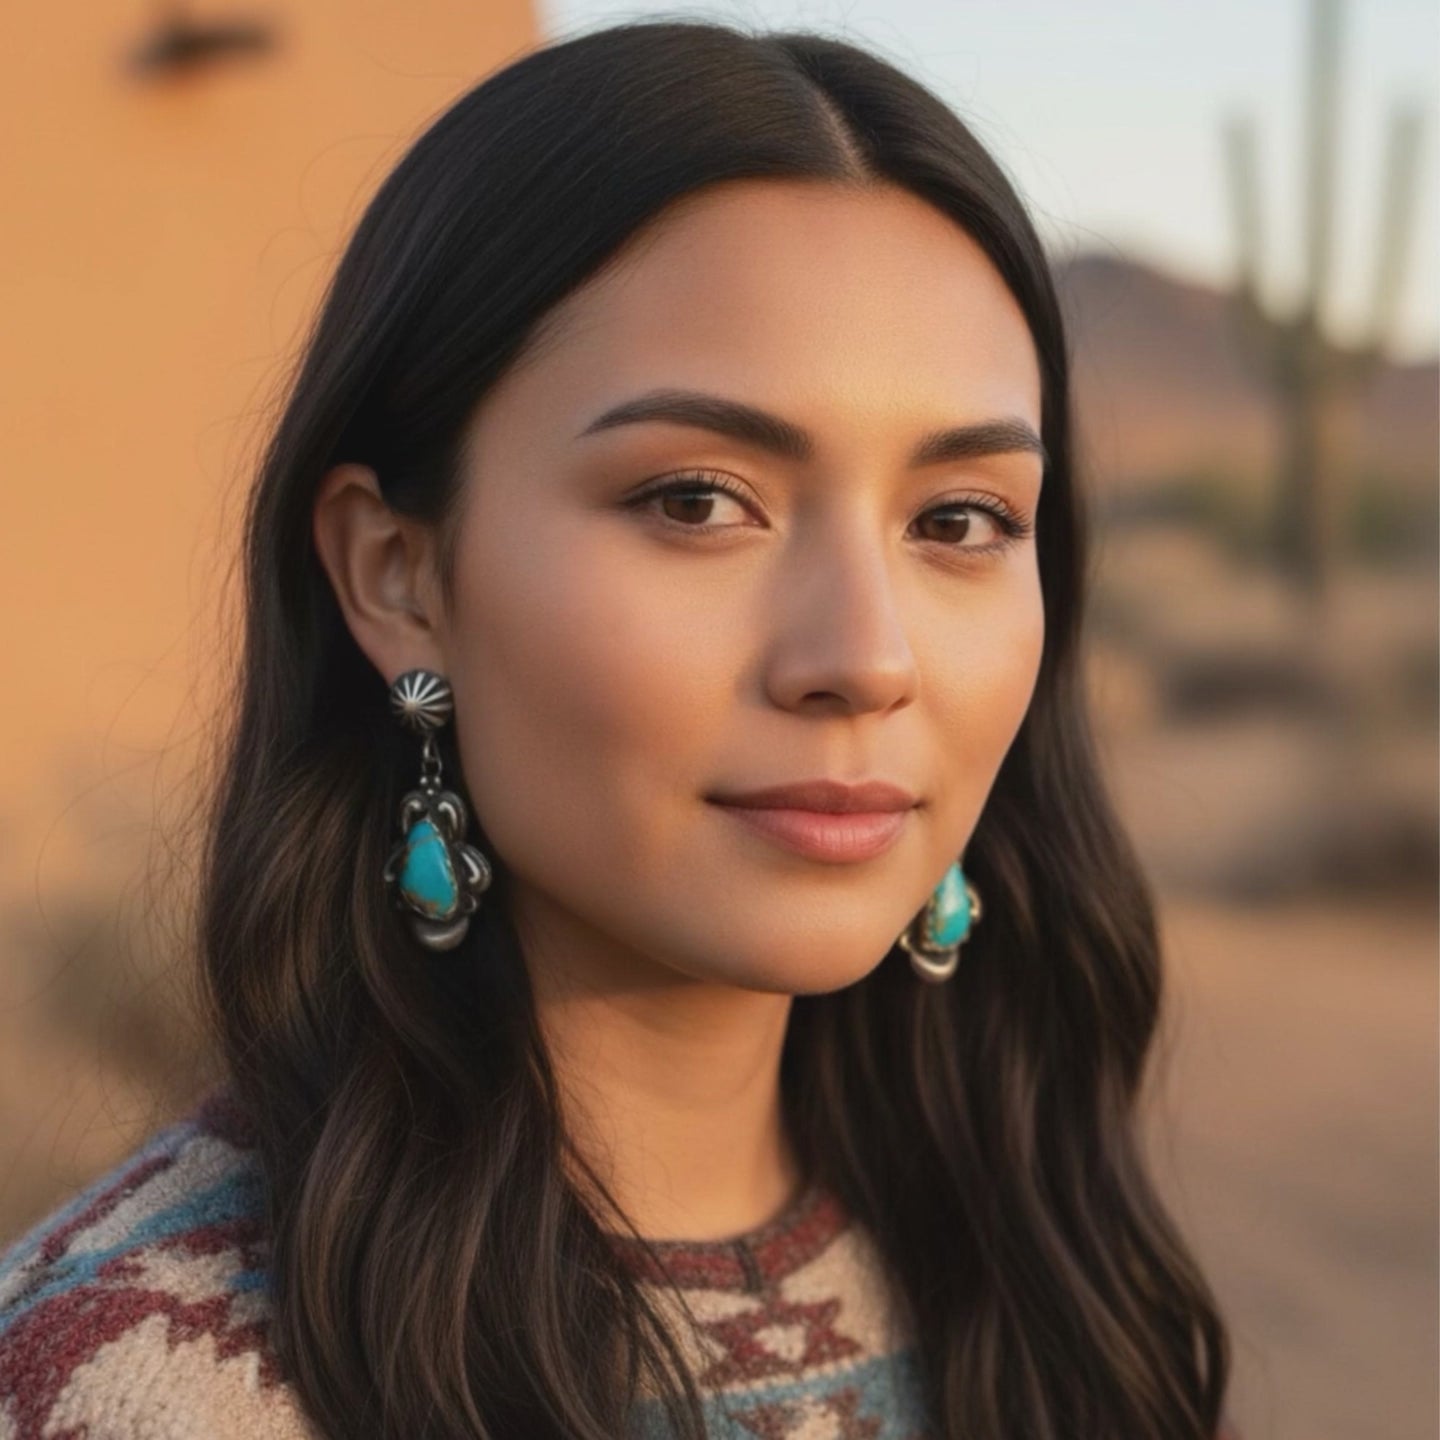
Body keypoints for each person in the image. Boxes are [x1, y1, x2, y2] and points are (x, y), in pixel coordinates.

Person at [0, 18, 1239, 1440]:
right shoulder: (144, 1386)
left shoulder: (1042, 1267)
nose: (866, 659)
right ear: (397, 575)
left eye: (959, 519)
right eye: (696, 500)